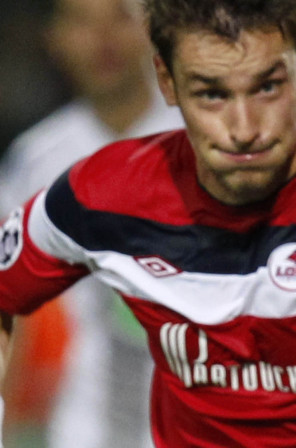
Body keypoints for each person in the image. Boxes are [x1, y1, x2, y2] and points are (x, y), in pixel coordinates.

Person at [0, 0, 296, 446]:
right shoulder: (100, 194)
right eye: (212, 93)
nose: (243, 128)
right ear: (167, 80)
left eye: (267, 87)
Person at [0, 0, 184, 446]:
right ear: (55, 39)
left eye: (118, 17)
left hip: (193, 423)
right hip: (75, 429)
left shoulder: (203, 144)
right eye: (82, 21)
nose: (103, 39)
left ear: (151, 29)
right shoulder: (35, 161)